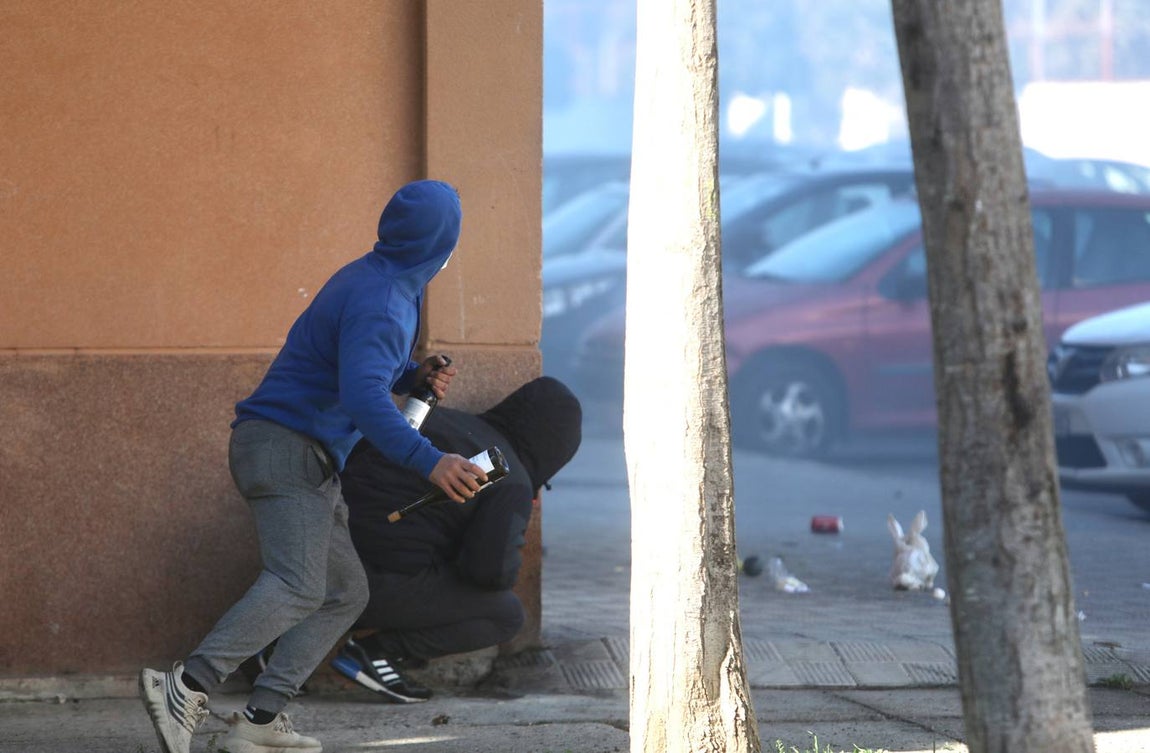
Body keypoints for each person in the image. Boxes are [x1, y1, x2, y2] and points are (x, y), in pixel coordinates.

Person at [139, 179, 489, 753]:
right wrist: (428, 461)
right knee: (298, 584)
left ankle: (258, 720)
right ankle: (184, 685)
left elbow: (356, 370)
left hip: (297, 452)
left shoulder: (379, 278)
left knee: (343, 591)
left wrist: (411, 377)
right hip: (287, 449)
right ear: (442, 241)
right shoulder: (385, 299)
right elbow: (363, 399)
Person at [329, 376, 582, 703]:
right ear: (554, 452)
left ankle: (273, 647)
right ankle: (375, 653)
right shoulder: (509, 479)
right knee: (504, 613)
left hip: (313, 552)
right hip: (362, 585)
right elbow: (489, 572)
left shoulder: (441, 418)